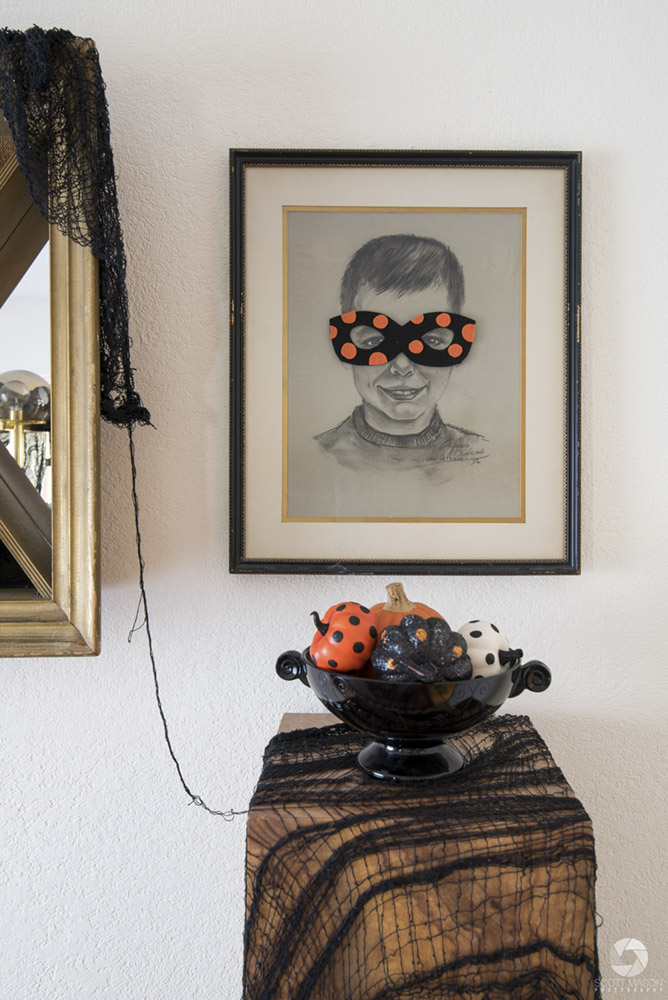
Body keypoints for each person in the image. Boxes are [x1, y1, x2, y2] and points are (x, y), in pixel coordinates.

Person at [315, 234, 488, 484]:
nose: (402, 366)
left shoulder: (485, 460)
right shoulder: (316, 460)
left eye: (432, 341)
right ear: (343, 345)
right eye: (374, 342)